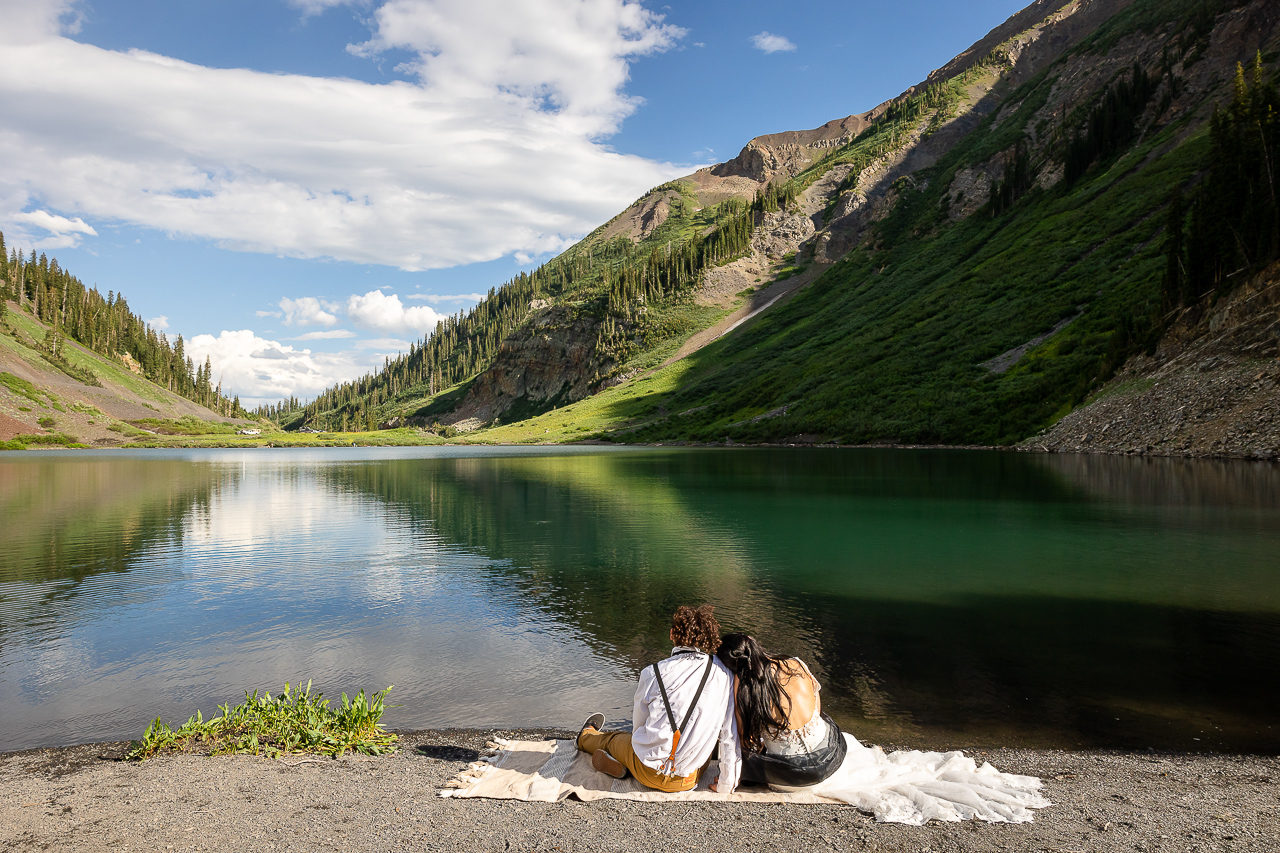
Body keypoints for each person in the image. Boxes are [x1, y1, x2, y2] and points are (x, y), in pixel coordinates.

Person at [576, 605, 740, 793]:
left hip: (648, 772)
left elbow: (639, 726)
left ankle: (585, 735)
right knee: (707, 742)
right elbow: (729, 733)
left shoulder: (652, 673)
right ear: (707, 637)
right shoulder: (722, 673)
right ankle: (625, 765)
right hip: (688, 779)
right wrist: (726, 785)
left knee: (614, 739)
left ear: (672, 634)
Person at [715, 632, 847, 790]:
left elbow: (747, 741)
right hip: (830, 757)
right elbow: (816, 707)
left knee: (744, 750)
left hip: (790, 775)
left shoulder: (744, 688)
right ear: (754, 643)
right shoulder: (794, 663)